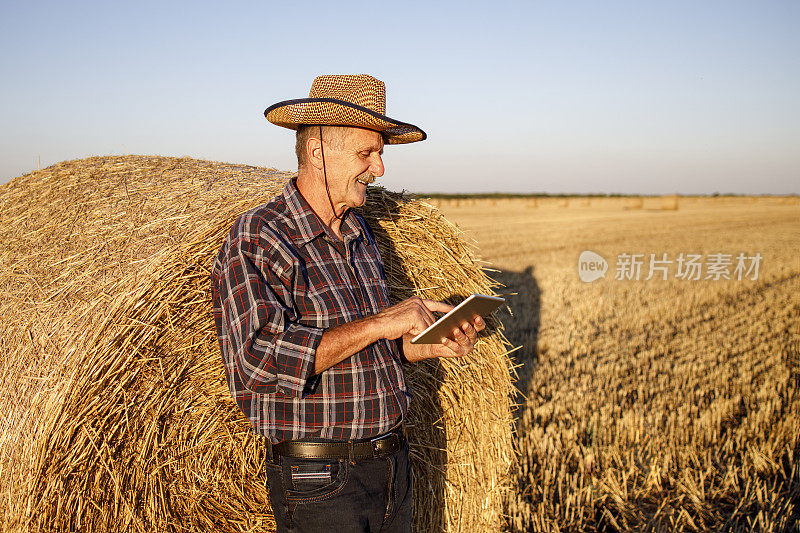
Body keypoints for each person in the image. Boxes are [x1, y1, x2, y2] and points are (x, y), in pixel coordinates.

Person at [211, 74, 485, 532]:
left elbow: (357, 350)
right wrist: (381, 323)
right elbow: (255, 361)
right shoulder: (261, 237)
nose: (380, 170)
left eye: (380, 153)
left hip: (392, 467)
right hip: (321, 480)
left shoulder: (360, 235)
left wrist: (420, 347)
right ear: (317, 151)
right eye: (367, 153)